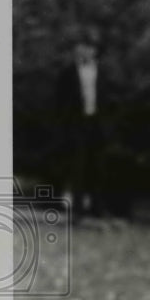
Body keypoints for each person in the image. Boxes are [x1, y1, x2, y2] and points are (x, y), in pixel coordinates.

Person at [54, 24, 113, 223]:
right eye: (82, 46)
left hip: (96, 122)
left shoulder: (102, 72)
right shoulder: (68, 73)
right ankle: (77, 210)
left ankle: (97, 207)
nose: (86, 51)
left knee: (98, 165)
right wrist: (64, 125)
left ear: (95, 51)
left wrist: (107, 123)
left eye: (90, 47)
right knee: (77, 166)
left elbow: (109, 99)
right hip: (77, 123)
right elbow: (59, 102)